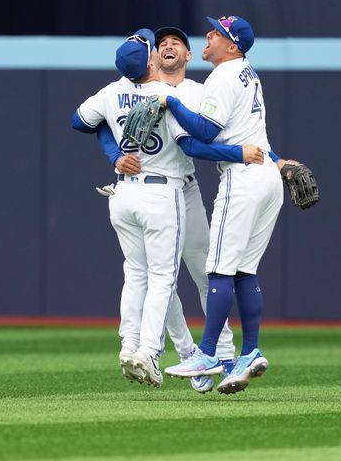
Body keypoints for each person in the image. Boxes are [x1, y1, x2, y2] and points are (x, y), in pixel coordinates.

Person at [71, 29, 264, 388]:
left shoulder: (195, 91)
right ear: (153, 59)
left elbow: (87, 119)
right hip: (162, 192)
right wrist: (116, 156)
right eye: (162, 44)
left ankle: (220, 354)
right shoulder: (154, 92)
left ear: (188, 56)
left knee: (197, 272)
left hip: (176, 190)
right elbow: (98, 125)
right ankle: (187, 352)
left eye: (177, 42)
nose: (169, 45)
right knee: (163, 277)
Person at [163, 15, 284, 394]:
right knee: (245, 271)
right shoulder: (248, 70)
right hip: (266, 174)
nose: (210, 34)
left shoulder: (224, 75)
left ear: (232, 46)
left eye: (218, 33)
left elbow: (204, 131)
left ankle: (208, 352)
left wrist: (171, 102)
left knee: (218, 268)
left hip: (243, 177)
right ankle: (248, 352)